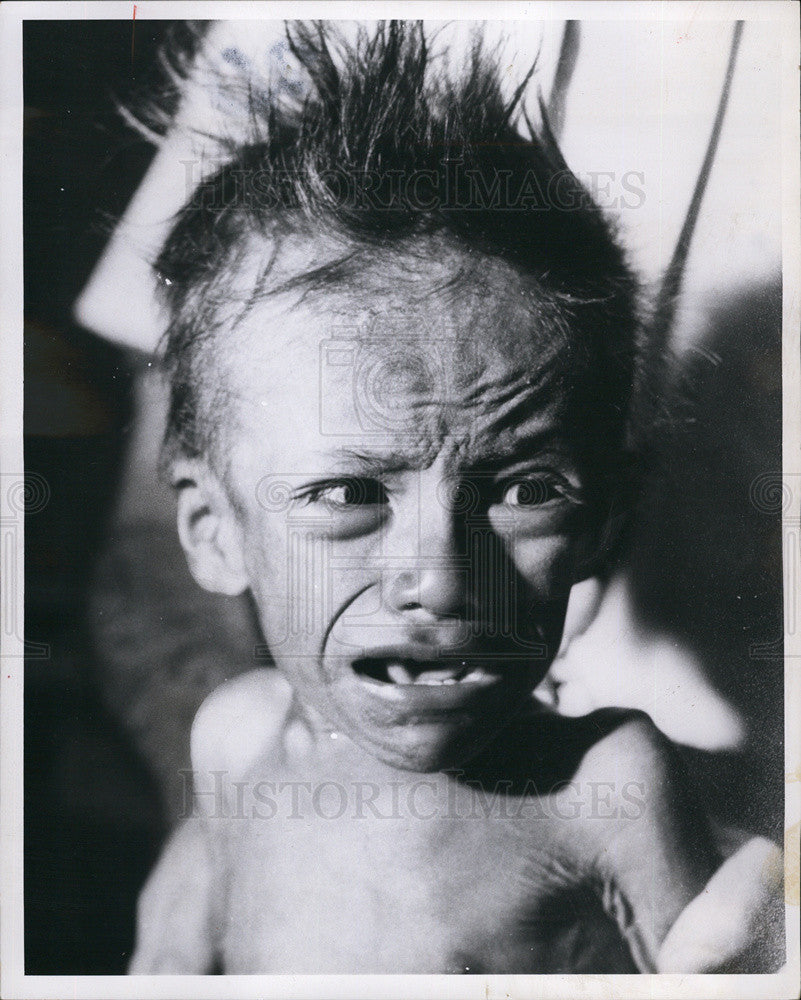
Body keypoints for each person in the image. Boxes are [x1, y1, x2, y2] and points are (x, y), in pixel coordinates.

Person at [127, 21, 783, 974]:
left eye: (523, 489)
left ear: (607, 520)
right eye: (348, 492)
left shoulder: (607, 787)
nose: (438, 580)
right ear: (211, 527)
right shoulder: (233, 743)